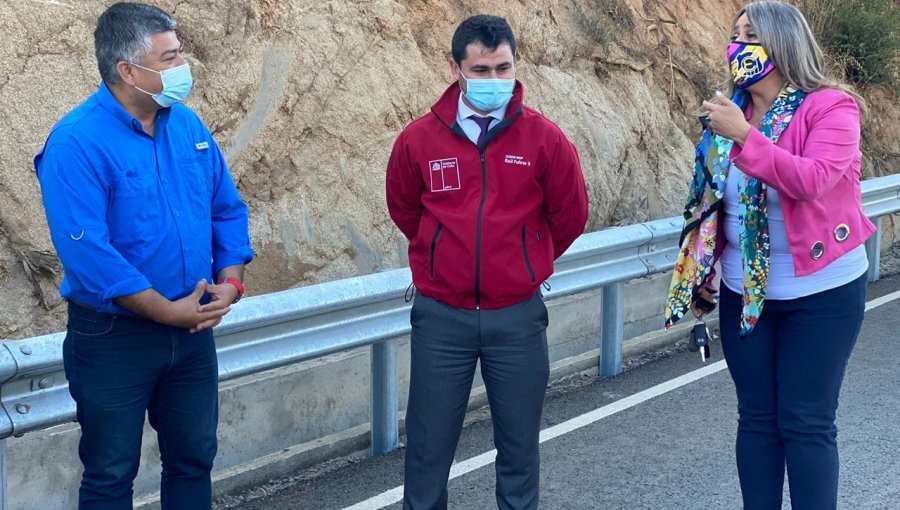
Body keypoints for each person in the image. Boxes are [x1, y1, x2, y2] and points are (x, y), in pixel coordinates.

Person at [34, 3, 253, 508]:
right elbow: (89, 253)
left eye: (180, 56)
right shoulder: (76, 143)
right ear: (128, 71)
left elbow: (226, 209)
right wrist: (165, 310)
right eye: (170, 58)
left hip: (193, 327)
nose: (183, 68)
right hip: (115, 339)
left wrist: (231, 281)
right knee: (111, 472)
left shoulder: (188, 127)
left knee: (194, 458)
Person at [665, 2, 872, 509]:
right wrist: (703, 271)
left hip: (822, 290)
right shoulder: (728, 113)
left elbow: (813, 181)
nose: (737, 46)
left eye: (750, 35)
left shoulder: (831, 107)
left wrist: (744, 136)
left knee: (805, 420)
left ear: (782, 44)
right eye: (734, 35)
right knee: (756, 417)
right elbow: (713, 202)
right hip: (745, 291)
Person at [386, 14, 589, 510]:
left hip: (517, 319)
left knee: (519, 455)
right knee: (427, 456)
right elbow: (405, 209)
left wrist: (521, 260)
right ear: (456, 68)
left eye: (504, 68)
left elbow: (571, 215)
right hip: (442, 320)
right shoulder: (419, 139)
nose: (495, 80)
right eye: (481, 70)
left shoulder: (545, 139)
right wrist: (444, 256)